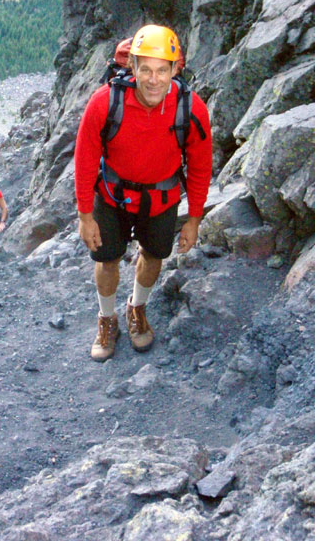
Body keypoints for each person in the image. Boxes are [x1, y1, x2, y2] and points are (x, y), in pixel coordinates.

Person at [74, 24, 213, 362]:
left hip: (161, 201)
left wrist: (194, 219)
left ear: (175, 70)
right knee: (106, 259)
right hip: (111, 196)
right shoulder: (104, 103)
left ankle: (136, 309)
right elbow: (86, 157)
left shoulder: (191, 109)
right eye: (146, 69)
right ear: (132, 67)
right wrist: (84, 215)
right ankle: (107, 318)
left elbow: (200, 167)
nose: (154, 79)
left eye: (162, 70)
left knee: (153, 256)